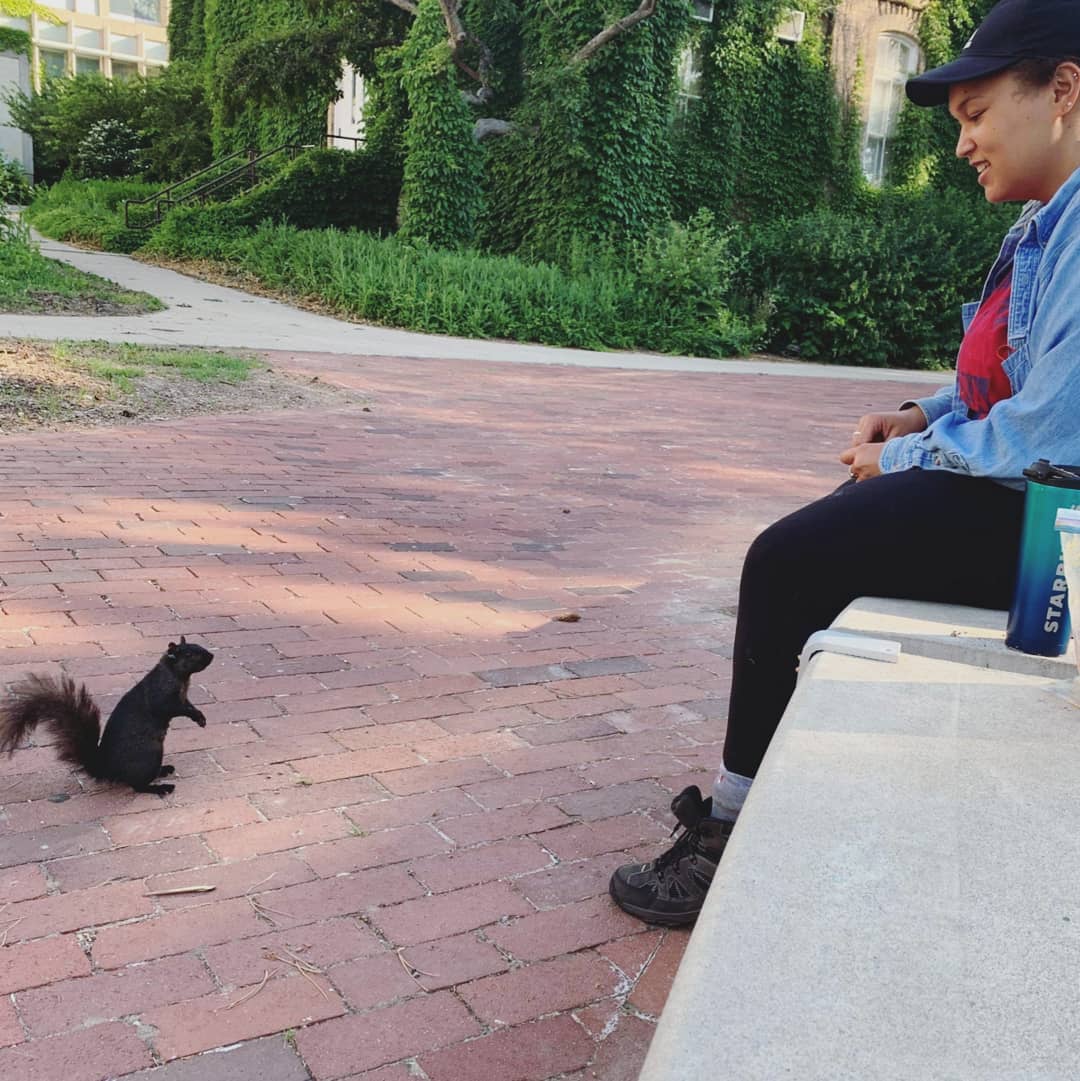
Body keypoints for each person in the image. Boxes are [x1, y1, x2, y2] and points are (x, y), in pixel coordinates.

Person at [609, 0, 1080, 926]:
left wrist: (906, 462)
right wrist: (918, 418)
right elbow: (1017, 388)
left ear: (1063, 89)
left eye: (976, 115)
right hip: (1036, 513)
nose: (963, 145)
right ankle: (776, 793)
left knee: (789, 558)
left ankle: (732, 835)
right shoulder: (1044, 229)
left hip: (1059, 549)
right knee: (824, 536)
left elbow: (1050, 436)